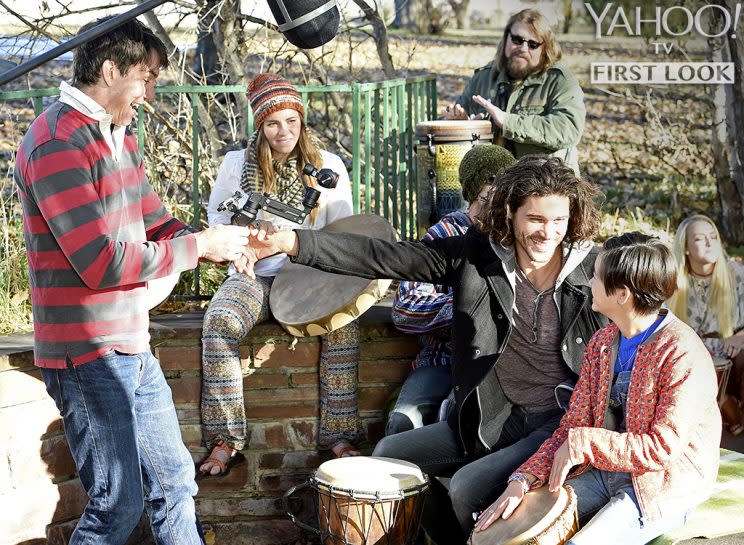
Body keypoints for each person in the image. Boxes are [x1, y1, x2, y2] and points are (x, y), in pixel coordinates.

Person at [240, 154, 607, 544]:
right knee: (389, 458)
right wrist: (290, 242)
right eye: (535, 219)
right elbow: (382, 256)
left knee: (467, 488)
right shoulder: (474, 256)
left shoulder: (594, 270)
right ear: (511, 214)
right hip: (490, 417)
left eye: (558, 221)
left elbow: (645, 325)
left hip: (557, 422)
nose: (547, 233)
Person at [13, 17, 254, 545]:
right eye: (144, 79)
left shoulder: (117, 135)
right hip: (86, 353)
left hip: (130, 344)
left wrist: (222, 244)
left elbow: (157, 221)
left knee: (174, 481)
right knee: (116, 506)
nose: (148, 94)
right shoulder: (56, 141)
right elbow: (98, 261)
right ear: (108, 69)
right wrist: (195, 249)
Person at [474, 233, 721, 545]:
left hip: (665, 483)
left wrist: (585, 442)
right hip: (605, 470)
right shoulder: (603, 343)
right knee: (514, 523)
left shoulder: (683, 353)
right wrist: (523, 479)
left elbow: (662, 448)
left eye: (595, 276)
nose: (589, 282)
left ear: (622, 294)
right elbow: (573, 425)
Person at [197, 73, 364, 476]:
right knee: (219, 322)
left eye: (292, 121)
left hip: (310, 273)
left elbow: (342, 233)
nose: (283, 131)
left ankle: (338, 436)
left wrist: (286, 240)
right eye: (273, 123)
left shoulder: (328, 167)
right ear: (260, 125)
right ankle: (226, 438)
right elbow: (217, 218)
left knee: (343, 326)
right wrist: (247, 242)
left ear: (302, 120)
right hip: (253, 272)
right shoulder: (237, 165)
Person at [387, 144, 516, 436]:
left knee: (467, 424)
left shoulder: (515, 239)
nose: (498, 196)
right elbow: (405, 308)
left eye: (506, 188)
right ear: (473, 191)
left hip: (493, 367)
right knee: (403, 423)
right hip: (442, 361)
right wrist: (464, 306)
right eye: (490, 187)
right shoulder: (444, 235)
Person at [444, 9, 585, 173]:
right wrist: (458, 125)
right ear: (506, 38)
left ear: (545, 49)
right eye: (517, 40)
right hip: (491, 184)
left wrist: (508, 122)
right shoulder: (483, 77)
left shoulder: (560, 80)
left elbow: (568, 129)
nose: (523, 48)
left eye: (533, 44)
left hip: (546, 184)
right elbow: (453, 120)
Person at [667, 214, 744, 435]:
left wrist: (739, 338)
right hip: (690, 352)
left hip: (729, 348)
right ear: (687, 248)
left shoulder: (737, 274)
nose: (710, 243)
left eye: (713, 237)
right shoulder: (672, 279)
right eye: (700, 239)